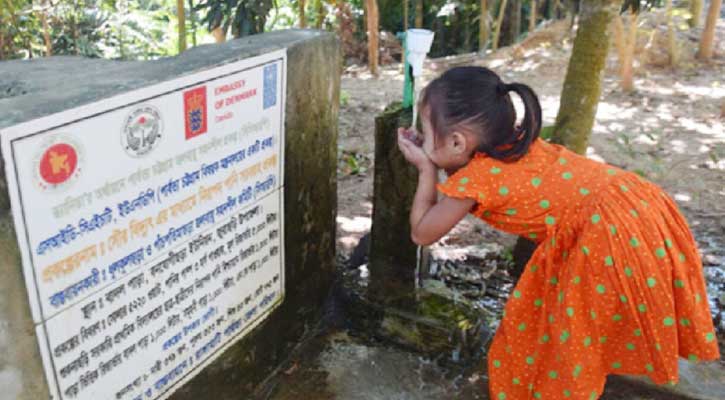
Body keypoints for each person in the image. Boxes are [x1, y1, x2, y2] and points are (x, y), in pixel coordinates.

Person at [396, 66, 720, 399]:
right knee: (578, 334)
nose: (422, 136)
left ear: (456, 141)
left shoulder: (478, 178)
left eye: (426, 129)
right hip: (637, 203)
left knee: (553, 344)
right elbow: (460, 163)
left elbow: (422, 232)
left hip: (604, 235)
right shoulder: (516, 143)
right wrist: (436, 150)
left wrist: (425, 167)